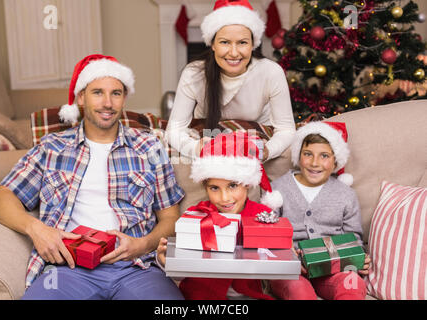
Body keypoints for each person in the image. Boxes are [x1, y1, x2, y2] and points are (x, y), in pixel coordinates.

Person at [0, 54, 186, 300]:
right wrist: (36, 229)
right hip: (66, 268)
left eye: (116, 93)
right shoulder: (52, 147)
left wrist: (143, 244)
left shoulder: (149, 146)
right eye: (97, 92)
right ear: (81, 97)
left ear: (124, 98)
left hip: (137, 268)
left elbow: (170, 217)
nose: (107, 103)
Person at [156, 131, 283, 300]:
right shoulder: (197, 216)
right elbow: (183, 270)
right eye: (214, 188)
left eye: (232, 186)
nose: (224, 198)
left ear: (247, 184)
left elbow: (277, 258)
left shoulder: (262, 215)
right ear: (205, 187)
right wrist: (167, 263)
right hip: (201, 296)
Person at [165, 0, 295, 160]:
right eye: (225, 42)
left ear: (253, 44)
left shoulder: (270, 72)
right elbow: (175, 130)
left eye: (242, 43)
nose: (234, 53)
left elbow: (286, 129)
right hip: (209, 136)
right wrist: (197, 149)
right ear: (212, 44)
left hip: (255, 138)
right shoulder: (194, 73)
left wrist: (267, 151)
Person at [268, 121, 372, 300]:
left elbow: (353, 238)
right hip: (291, 271)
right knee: (299, 292)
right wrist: (286, 254)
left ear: (335, 161)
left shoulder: (346, 195)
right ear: (298, 155)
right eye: (308, 154)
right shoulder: (278, 189)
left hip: (333, 270)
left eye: (324, 156)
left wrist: (358, 257)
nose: (315, 163)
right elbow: (267, 234)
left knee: (353, 284)